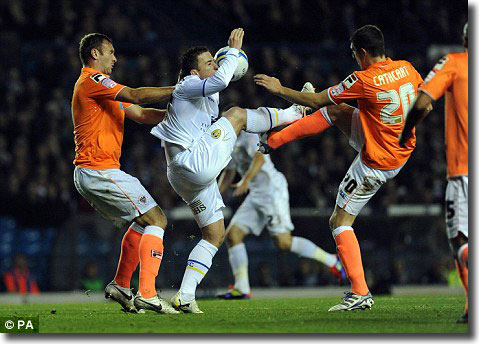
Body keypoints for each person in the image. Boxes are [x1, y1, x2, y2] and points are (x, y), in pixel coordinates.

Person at [254, 25, 431, 311]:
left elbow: (314, 99)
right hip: (399, 147)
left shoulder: (363, 79)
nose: (353, 59)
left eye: (354, 54)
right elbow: (427, 107)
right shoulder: (407, 69)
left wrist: (279, 88)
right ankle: (273, 141)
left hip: (376, 162)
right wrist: (403, 129)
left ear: (362, 53)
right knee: (337, 110)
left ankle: (360, 292)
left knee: (339, 222)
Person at [150, 28, 311, 313]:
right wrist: (233, 49)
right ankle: (295, 114)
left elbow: (223, 78)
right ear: (192, 71)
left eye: (215, 61)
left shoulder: (205, 93)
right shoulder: (187, 84)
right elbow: (223, 79)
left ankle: (185, 295)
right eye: (208, 62)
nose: (213, 65)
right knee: (236, 115)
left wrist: (229, 62)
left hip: (188, 175)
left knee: (215, 234)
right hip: (192, 163)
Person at [72, 33, 179, 314]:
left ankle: (121, 284)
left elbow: (143, 114)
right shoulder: (92, 81)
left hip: (97, 171)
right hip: (98, 169)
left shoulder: (105, 91)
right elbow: (134, 94)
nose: (116, 58)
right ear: (95, 54)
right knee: (157, 218)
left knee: (144, 222)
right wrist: (179, 88)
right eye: (111, 52)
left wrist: (180, 112)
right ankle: (147, 293)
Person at [216, 131, 345, 299]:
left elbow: (260, 159)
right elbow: (229, 173)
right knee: (233, 235)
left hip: (272, 192)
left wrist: (246, 180)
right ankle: (242, 287)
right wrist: (214, 197)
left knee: (283, 243)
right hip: (256, 194)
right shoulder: (229, 142)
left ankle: (332, 261)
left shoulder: (249, 137)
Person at [399, 23, 468, 324]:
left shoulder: (454, 62)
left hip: (464, 172)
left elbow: (423, 102)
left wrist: (406, 130)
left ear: (466, 38)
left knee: (460, 241)